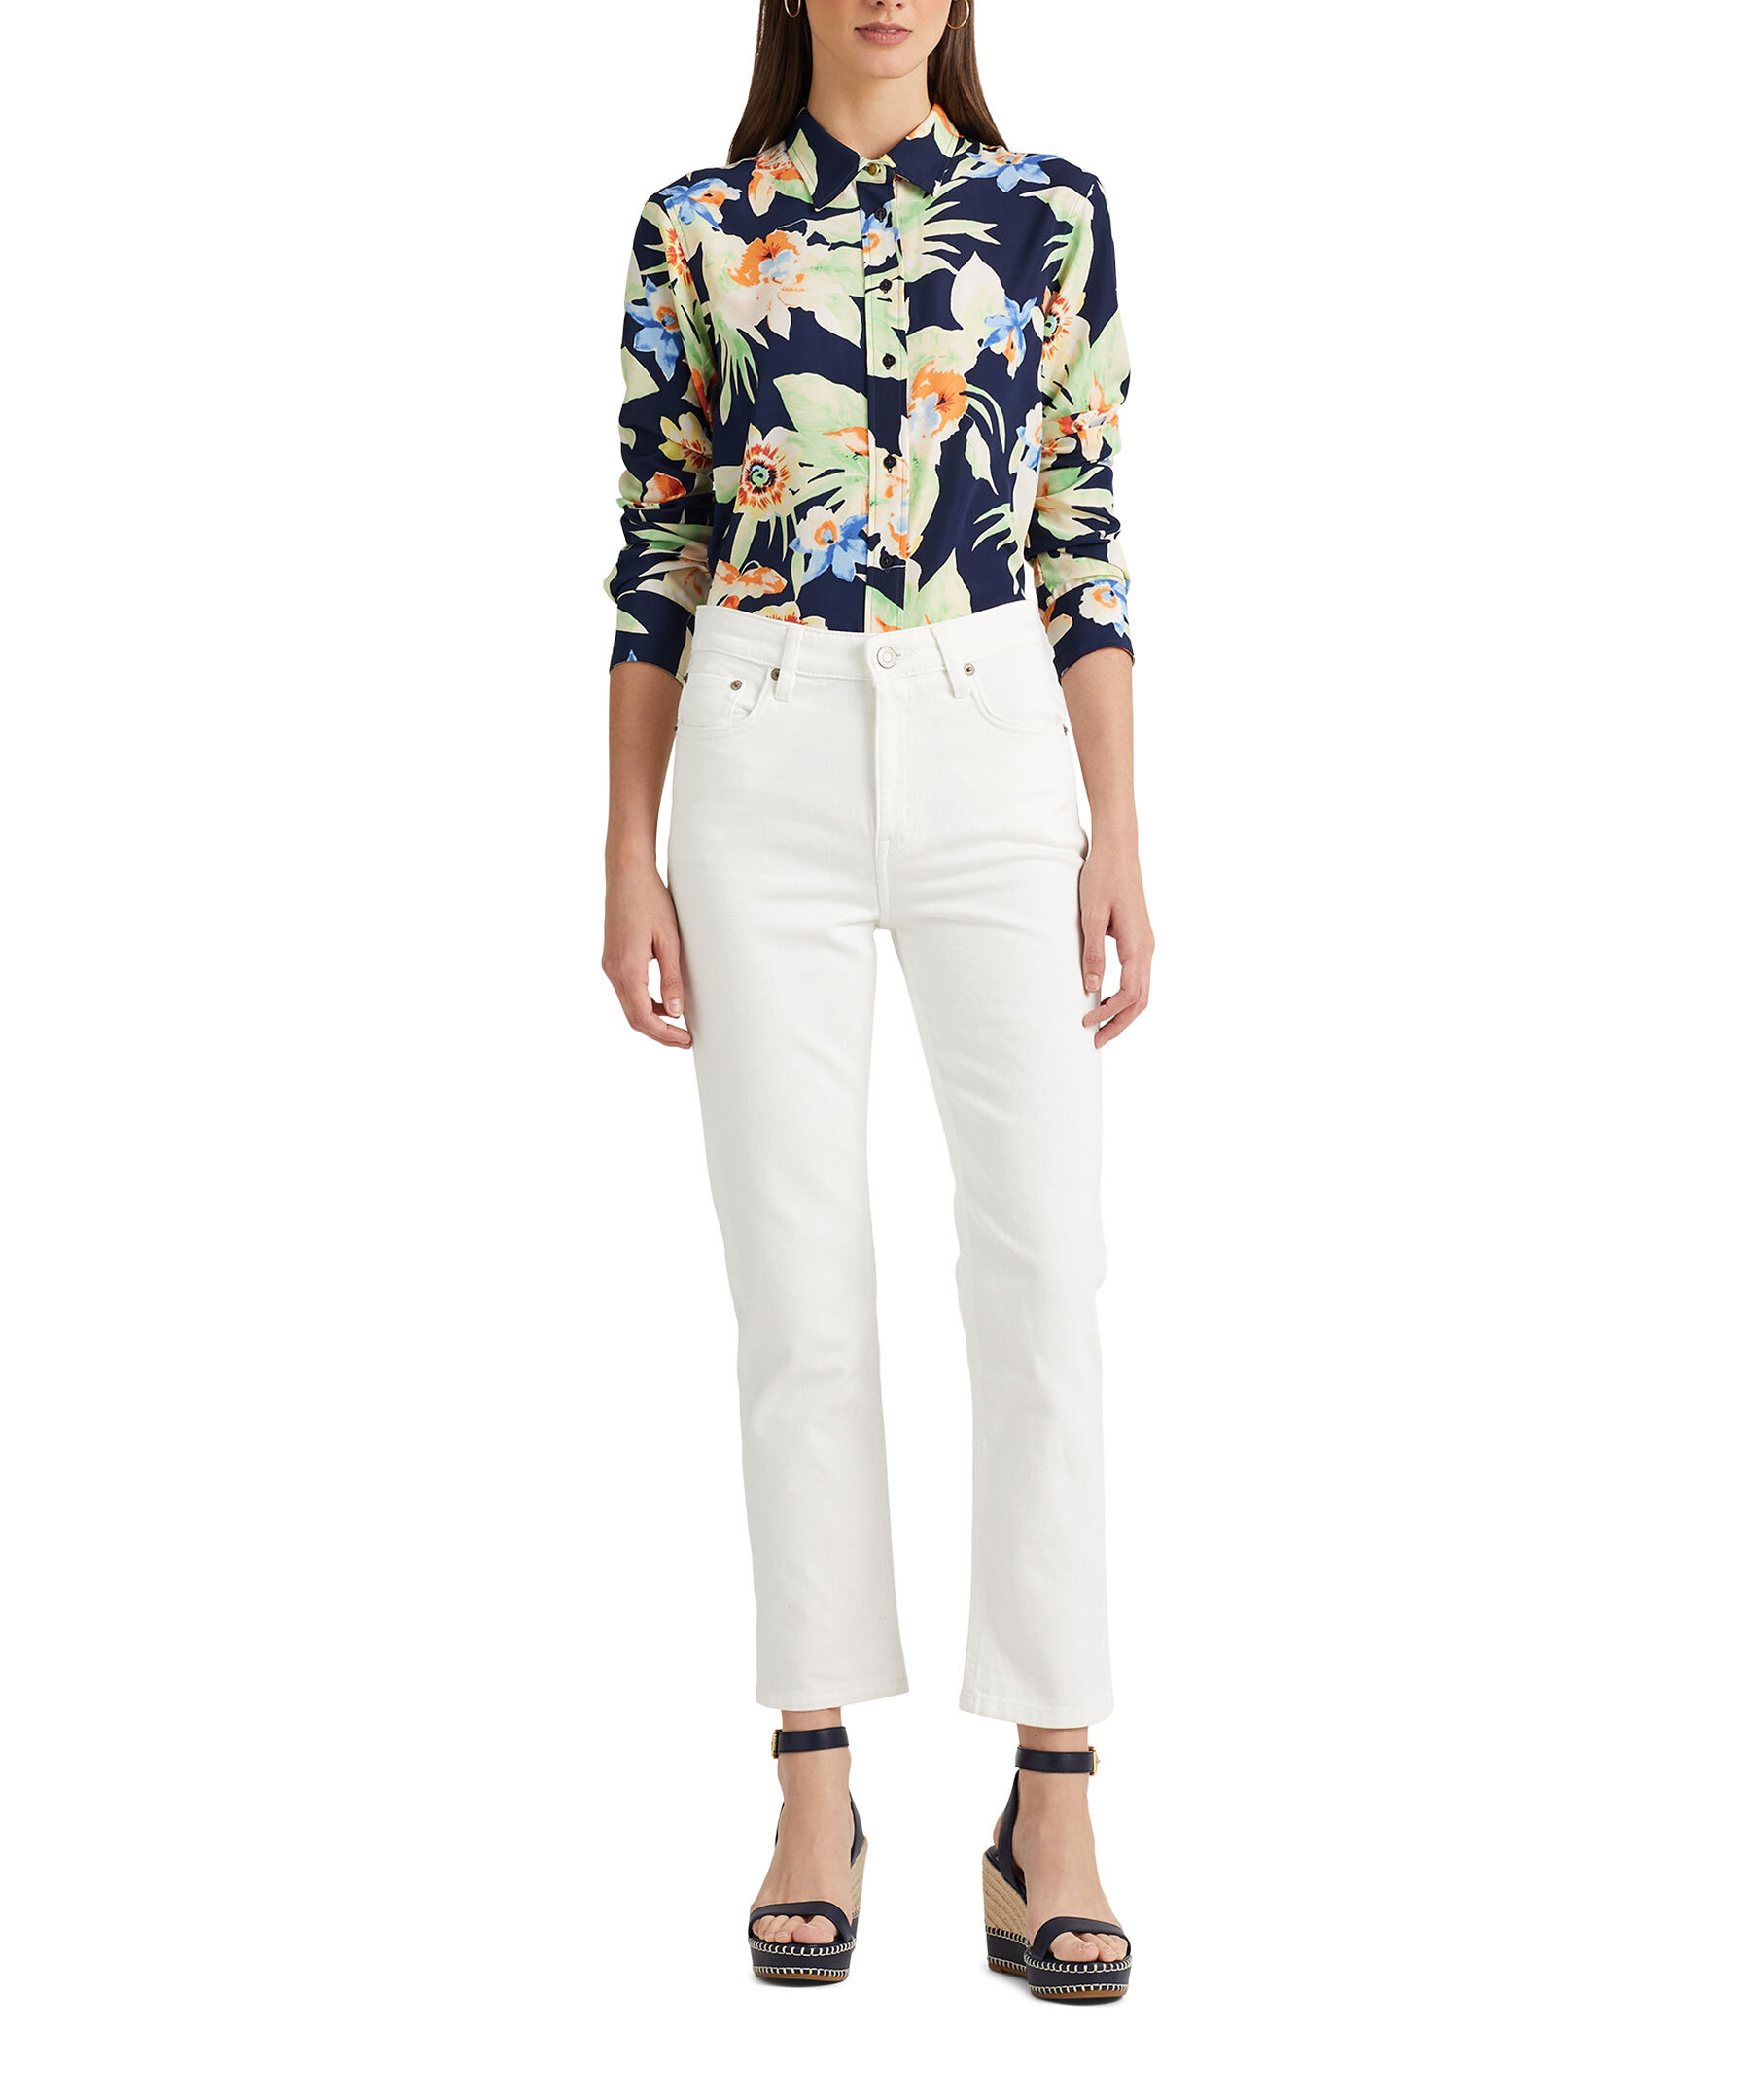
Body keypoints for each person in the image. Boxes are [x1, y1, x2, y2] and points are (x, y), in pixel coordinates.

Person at [602, 0, 1150, 2002]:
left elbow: (1078, 529)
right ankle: (813, 1782)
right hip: (760, 750)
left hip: (995, 736)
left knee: (1044, 1274)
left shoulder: (1048, 216)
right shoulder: (695, 227)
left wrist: (1115, 828)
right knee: (800, 1288)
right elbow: (657, 546)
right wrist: (627, 850)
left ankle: (1051, 1800)